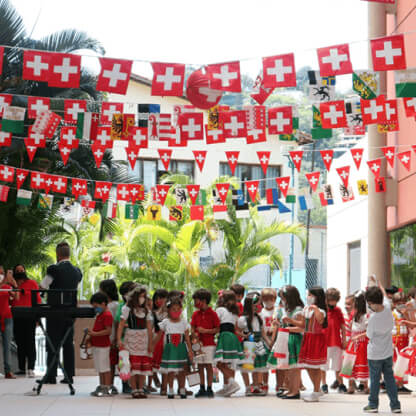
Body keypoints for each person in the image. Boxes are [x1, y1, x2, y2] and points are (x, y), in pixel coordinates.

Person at [40, 241, 82, 384]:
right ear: (69, 254)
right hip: (70, 311)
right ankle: (69, 376)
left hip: (55, 311)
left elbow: (43, 285)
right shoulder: (77, 271)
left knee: (53, 342)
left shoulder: (54, 269)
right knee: (68, 344)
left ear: (58, 254)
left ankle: (51, 375)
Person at [363, 284, 401, 413]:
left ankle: (373, 404)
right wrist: (379, 284)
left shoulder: (373, 319)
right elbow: (385, 296)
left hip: (375, 354)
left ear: (371, 303)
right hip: (388, 352)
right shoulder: (387, 307)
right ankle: (395, 405)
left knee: (375, 380)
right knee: (390, 379)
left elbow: (369, 335)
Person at [117, 285, 153, 399]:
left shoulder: (146, 310)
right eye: (140, 296)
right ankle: (134, 389)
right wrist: (119, 340)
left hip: (143, 339)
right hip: (131, 338)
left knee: (142, 366)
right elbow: (121, 325)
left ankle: (141, 388)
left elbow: (149, 327)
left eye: (144, 296)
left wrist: (150, 343)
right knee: (133, 366)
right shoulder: (127, 309)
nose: (142, 299)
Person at [155, 297, 193, 399]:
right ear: (168, 310)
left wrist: (190, 351)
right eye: (173, 309)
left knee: (182, 370)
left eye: (178, 309)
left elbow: (187, 339)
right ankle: (170, 389)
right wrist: (152, 346)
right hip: (169, 350)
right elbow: (159, 336)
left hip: (181, 349)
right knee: (170, 370)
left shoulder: (184, 322)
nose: (176, 311)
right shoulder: (165, 322)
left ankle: (182, 388)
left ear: (181, 309)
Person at [272, 285, 304, 400]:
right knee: (288, 367)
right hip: (286, 339)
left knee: (294, 367)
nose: (282, 300)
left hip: (294, 340)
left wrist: (287, 327)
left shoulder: (298, 311)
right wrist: (279, 325)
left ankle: (295, 391)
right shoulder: (287, 309)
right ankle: (290, 389)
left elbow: (302, 328)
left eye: (283, 298)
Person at [298, 286, 328, 402]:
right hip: (307, 338)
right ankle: (317, 388)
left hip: (316, 339)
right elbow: (302, 325)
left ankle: (316, 391)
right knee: (307, 365)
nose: (308, 297)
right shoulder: (306, 309)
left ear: (317, 297)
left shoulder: (320, 310)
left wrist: (315, 308)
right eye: (308, 295)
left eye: (310, 295)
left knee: (315, 367)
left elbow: (320, 320)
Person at [238, 291, 270, 396]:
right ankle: (247, 387)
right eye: (256, 304)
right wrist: (243, 335)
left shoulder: (259, 318)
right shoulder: (243, 319)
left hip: (258, 343)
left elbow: (263, 333)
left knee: (257, 366)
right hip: (248, 343)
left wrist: (269, 344)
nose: (259, 306)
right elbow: (236, 329)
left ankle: (256, 386)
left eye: (259, 304)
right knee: (247, 366)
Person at [12, 264, 41, 378]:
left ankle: (31, 368)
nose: (19, 272)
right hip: (16, 316)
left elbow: (38, 300)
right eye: (17, 270)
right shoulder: (12, 284)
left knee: (30, 342)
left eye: (21, 270)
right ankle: (21, 368)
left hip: (30, 316)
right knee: (20, 343)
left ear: (25, 271)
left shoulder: (32, 283)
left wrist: (38, 318)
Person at [191, 288, 220, 398]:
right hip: (198, 345)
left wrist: (206, 331)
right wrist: (195, 336)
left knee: (208, 366)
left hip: (209, 344)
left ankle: (209, 388)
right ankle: (201, 387)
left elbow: (217, 329)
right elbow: (192, 328)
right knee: (200, 366)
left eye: (196, 300)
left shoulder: (213, 314)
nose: (195, 303)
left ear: (203, 301)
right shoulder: (195, 314)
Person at [214, 289, 243, 397]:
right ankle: (227, 388)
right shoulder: (234, 313)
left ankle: (232, 383)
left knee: (220, 363)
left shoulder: (220, 310)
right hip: (233, 338)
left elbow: (216, 325)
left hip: (225, 336)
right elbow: (235, 329)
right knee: (229, 363)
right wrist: (242, 335)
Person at [321, 288, 347, 394]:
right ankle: (323, 384)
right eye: (330, 300)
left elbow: (343, 326)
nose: (332, 302)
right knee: (324, 365)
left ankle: (341, 383)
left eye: (334, 300)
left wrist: (344, 339)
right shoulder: (322, 310)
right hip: (324, 342)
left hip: (336, 341)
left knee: (338, 365)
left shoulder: (338, 310)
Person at [88, 292, 113, 397]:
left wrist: (95, 334)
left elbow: (108, 331)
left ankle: (107, 387)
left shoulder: (107, 315)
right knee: (99, 368)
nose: (95, 309)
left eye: (96, 306)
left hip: (103, 346)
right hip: (97, 345)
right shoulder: (100, 315)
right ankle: (102, 386)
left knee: (105, 368)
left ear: (103, 304)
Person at [114, 280, 136, 394]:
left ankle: (137, 384)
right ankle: (125, 383)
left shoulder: (140, 306)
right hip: (125, 339)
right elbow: (119, 322)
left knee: (137, 362)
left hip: (138, 339)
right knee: (124, 362)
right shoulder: (122, 306)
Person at [98, 279, 119, 395]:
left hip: (110, 338)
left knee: (109, 362)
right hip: (110, 338)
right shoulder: (115, 305)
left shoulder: (111, 307)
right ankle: (108, 384)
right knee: (109, 362)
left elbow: (114, 323)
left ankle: (108, 384)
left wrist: (114, 338)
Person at [391, 291, 412, 394]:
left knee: (404, 361)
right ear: (394, 304)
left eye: (403, 303)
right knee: (396, 362)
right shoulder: (392, 314)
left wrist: (406, 315)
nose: (401, 306)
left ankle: (401, 384)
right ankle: (396, 384)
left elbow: (410, 326)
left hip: (405, 340)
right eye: (399, 304)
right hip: (395, 340)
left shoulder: (406, 314)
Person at [348, 291, 369, 394]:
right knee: (355, 361)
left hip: (358, 341)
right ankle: (357, 386)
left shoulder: (363, 315)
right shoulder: (358, 314)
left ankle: (358, 386)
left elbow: (369, 331)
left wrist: (356, 336)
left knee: (357, 362)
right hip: (357, 341)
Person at [0, 267, 18, 379]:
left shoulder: (7, 287)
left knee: (7, 345)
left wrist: (15, 285)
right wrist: (4, 282)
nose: (1, 274)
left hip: (7, 317)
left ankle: (8, 371)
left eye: (2, 273)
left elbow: (16, 297)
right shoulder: (3, 285)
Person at [259, 288, 277, 394]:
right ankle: (265, 384)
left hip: (276, 341)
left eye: (271, 299)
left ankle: (281, 384)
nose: (268, 301)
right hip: (265, 341)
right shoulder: (261, 313)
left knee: (279, 364)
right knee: (264, 365)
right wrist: (267, 340)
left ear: (275, 299)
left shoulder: (278, 311)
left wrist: (273, 341)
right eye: (266, 299)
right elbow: (261, 329)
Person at [151, 288, 169, 395]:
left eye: (161, 298)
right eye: (156, 298)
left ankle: (164, 386)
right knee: (152, 361)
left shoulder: (170, 311)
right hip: (155, 337)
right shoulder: (151, 312)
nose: (159, 301)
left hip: (166, 339)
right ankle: (154, 378)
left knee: (165, 363)